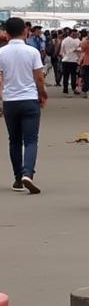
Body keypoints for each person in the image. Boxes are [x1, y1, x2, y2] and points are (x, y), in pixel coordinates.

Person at [0, 17, 47, 193]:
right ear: (25, 31)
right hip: (29, 100)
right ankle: (28, 173)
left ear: (7, 33)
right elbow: (39, 77)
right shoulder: (32, 52)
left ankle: (18, 179)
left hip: (10, 102)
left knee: (14, 141)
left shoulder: (1, 53)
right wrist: (42, 94)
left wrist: (2, 98)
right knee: (31, 140)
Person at [60, 27, 82, 94]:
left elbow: (61, 51)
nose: (76, 35)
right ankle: (73, 88)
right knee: (73, 75)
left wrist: (64, 56)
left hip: (65, 60)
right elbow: (80, 50)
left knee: (65, 75)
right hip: (74, 61)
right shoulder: (77, 41)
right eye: (75, 34)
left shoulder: (64, 40)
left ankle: (65, 89)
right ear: (72, 33)